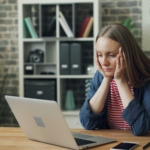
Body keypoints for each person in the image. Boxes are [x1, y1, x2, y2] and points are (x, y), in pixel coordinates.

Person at [79, 23, 150, 136]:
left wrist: (121, 81)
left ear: (127, 53)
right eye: (99, 55)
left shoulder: (146, 76)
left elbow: (140, 128)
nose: (104, 62)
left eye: (111, 55)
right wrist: (106, 79)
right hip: (112, 141)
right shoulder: (101, 75)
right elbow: (87, 122)